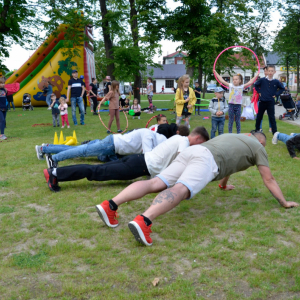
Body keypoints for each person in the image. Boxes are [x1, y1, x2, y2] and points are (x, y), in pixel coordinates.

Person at [96, 131, 299, 246]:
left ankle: (110, 205)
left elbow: (233, 163)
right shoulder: (258, 148)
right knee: (182, 189)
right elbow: (269, 178)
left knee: (156, 182)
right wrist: (284, 201)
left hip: (194, 152)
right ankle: (144, 220)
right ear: (260, 142)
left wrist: (223, 184)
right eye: (262, 144)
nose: (261, 147)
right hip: (207, 160)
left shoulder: (233, 136)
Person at [43, 126, 205, 192]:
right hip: (138, 165)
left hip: (137, 160)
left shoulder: (176, 139)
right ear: (197, 138)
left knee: (97, 169)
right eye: (201, 143)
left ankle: (55, 172)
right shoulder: (183, 141)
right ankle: (55, 173)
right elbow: (181, 162)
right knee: (97, 171)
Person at [36, 126, 178, 168]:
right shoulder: (148, 135)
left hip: (113, 146)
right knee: (82, 151)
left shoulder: (151, 136)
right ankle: (54, 159)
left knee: (80, 150)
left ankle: (45, 148)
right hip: (111, 144)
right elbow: (148, 156)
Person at [254, 65, 285, 135]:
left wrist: (276, 94)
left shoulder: (276, 81)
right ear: (267, 71)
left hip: (270, 102)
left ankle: (275, 133)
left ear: (274, 72)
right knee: (259, 116)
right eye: (269, 71)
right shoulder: (262, 80)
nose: (270, 72)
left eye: (272, 71)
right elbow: (256, 85)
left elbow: (282, 88)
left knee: (272, 117)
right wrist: (259, 92)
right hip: (262, 101)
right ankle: (257, 130)